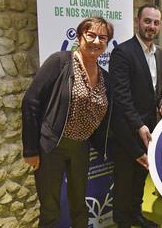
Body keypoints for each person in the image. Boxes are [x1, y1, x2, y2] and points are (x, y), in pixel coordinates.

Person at [21, 17, 114, 228]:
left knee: (79, 205)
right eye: (91, 35)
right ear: (80, 36)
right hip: (52, 146)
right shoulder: (60, 62)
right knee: (51, 209)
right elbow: (31, 102)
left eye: (103, 37)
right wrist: (30, 149)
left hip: (81, 147)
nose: (96, 41)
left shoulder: (105, 77)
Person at [109, 4, 162, 228]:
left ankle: (136, 214)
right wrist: (138, 125)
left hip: (150, 130)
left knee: (140, 178)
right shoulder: (123, 53)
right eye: (147, 21)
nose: (151, 26)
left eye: (155, 22)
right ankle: (122, 221)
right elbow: (121, 97)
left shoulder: (161, 54)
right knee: (124, 180)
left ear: (160, 26)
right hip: (127, 130)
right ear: (138, 21)